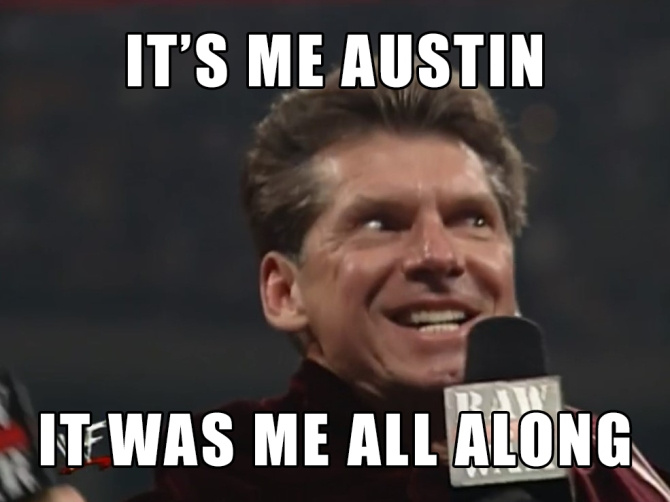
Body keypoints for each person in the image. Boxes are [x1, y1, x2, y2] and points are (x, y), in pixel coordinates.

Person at [39, 66, 669, 501]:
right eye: (379, 223)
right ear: (285, 293)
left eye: (473, 220)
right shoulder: (234, 478)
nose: (438, 255)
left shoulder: (598, 465)